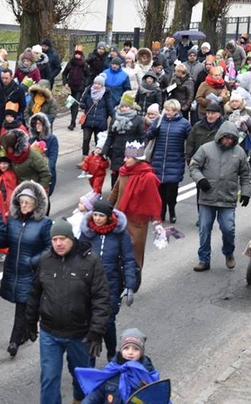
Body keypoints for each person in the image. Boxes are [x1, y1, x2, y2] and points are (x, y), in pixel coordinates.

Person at [26, 219, 111, 404]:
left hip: (80, 334)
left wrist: (96, 332)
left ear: (71, 238)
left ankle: (79, 400)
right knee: (49, 379)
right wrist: (30, 322)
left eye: (62, 238)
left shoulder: (90, 261)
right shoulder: (45, 261)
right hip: (50, 333)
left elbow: (101, 298)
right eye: (55, 239)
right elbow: (34, 294)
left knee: (81, 379)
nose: (58, 243)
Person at [0, 182, 51, 357]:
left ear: (36, 204)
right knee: (24, 304)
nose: (23, 206)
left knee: (22, 306)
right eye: (21, 202)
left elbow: (49, 247)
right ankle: (27, 331)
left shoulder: (44, 223)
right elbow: (6, 241)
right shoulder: (13, 220)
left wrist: (33, 261)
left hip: (31, 272)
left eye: (27, 202)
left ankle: (14, 341)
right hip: (13, 270)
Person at [78, 200, 137, 361]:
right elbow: (78, 257)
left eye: (101, 215)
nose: (97, 218)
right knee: (90, 321)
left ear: (109, 217)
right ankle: (90, 359)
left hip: (111, 285)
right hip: (88, 285)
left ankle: (111, 353)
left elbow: (129, 260)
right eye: (95, 214)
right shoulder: (87, 233)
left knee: (108, 322)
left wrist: (130, 286)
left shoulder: (120, 234)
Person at [189, 122, 251, 271]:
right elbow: (194, 166)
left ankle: (228, 252)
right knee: (204, 229)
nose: (228, 141)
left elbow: (245, 174)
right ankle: (204, 259)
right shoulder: (206, 149)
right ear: (220, 136)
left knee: (228, 229)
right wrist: (200, 180)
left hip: (227, 198)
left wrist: (246, 192)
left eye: (231, 138)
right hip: (207, 197)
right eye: (226, 137)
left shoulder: (239, 152)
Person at [108, 142, 161, 289]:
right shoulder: (123, 172)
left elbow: (154, 200)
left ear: (137, 159)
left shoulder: (148, 177)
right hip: (120, 218)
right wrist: (106, 209)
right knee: (117, 250)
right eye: (125, 157)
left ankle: (134, 280)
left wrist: (157, 222)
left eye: (128, 157)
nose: (125, 160)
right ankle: (118, 280)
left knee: (134, 253)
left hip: (137, 221)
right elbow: (115, 191)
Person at [76, 328, 161, 404]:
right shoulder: (112, 370)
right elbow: (99, 393)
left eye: (136, 349)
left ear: (141, 352)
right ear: (121, 350)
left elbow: (158, 398)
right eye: (126, 348)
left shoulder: (146, 375)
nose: (130, 352)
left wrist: (145, 391)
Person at [146, 99, 191, 223]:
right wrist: (153, 131)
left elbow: (190, 140)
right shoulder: (159, 121)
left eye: (169, 110)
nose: (166, 112)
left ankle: (172, 210)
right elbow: (148, 135)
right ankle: (161, 212)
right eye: (165, 109)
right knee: (160, 191)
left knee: (172, 191)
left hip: (175, 160)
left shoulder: (184, 124)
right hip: (159, 160)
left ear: (176, 111)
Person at [102, 91, 144, 188]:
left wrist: (140, 154)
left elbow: (142, 137)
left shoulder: (138, 119)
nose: (124, 109)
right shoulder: (115, 119)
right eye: (122, 107)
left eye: (126, 107)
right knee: (116, 174)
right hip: (116, 151)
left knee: (128, 176)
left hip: (131, 152)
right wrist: (105, 150)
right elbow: (110, 136)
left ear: (131, 107)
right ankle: (114, 198)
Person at [80, 74, 114, 157]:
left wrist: (114, 117)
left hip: (100, 121)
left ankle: (96, 157)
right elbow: (82, 101)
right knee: (86, 139)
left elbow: (110, 107)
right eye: (95, 83)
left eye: (99, 84)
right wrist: (82, 105)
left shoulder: (106, 94)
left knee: (98, 141)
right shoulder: (89, 91)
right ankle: (84, 157)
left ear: (102, 85)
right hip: (88, 120)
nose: (96, 85)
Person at [29, 113, 59, 195]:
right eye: (36, 124)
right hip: (33, 174)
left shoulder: (52, 139)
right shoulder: (32, 139)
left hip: (46, 174)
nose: (37, 126)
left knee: (44, 199)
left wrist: (46, 173)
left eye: (40, 124)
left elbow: (53, 158)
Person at [62, 47, 90, 130]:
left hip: (80, 87)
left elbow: (88, 75)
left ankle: (72, 122)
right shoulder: (70, 63)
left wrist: (85, 84)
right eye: (76, 54)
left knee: (75, 103)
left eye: (79, 54)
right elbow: (64, 73)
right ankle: (72, 119)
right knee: (69, 104)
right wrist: (65, 82)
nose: (77, 55)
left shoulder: (84, 64)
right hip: (71, 87)